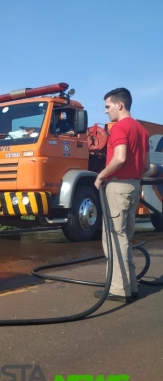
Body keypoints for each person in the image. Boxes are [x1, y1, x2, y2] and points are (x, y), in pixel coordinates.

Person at [93, 88, 150, 303]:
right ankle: (131, 285)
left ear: (120, 105)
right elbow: (144, 165)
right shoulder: (142, 131)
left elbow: (119, 158)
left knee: (115, 239)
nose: (106, 111)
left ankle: (119, 289)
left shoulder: (119, 128)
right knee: (125, 237)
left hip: (117, 187)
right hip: (134, 186)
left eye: (108, 106)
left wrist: (101, 176)